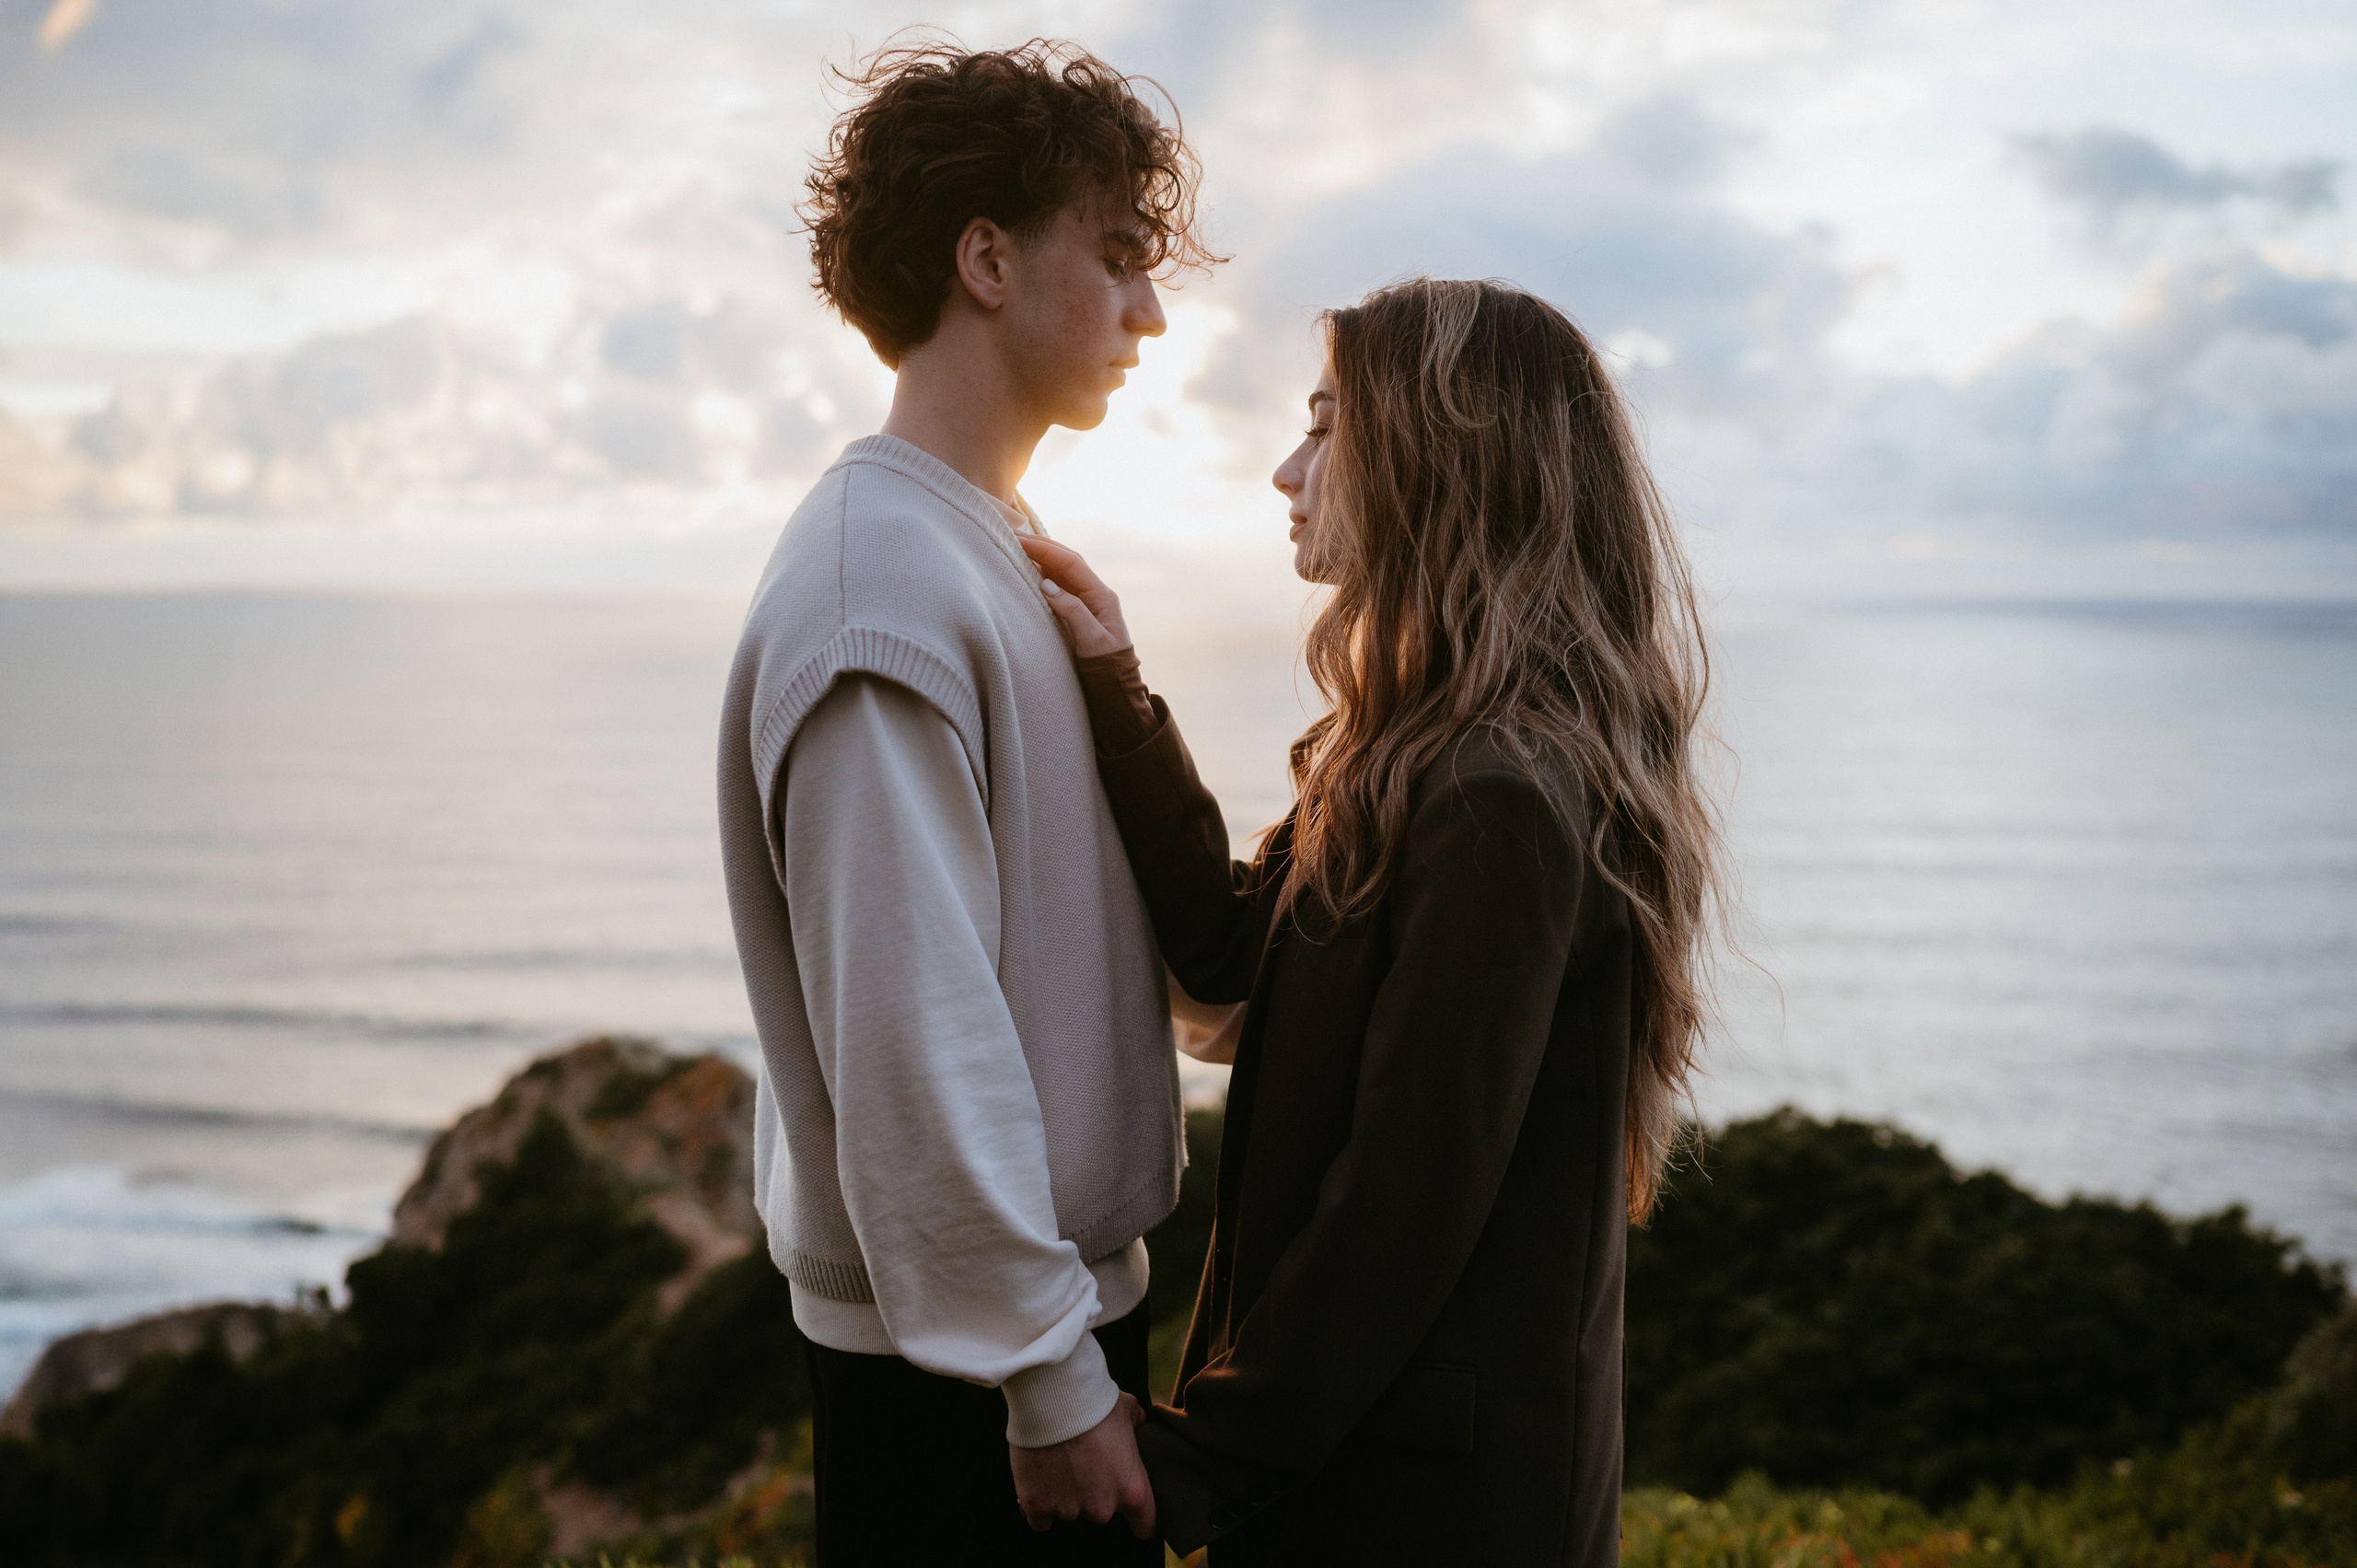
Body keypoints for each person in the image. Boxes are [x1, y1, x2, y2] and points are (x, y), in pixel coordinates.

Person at [1023, 276, 1724, 1565]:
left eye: (1327, 426)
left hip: (1431, 1512)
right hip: (1365, 1473)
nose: (1287, 472)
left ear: (1438, 458)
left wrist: (1201, 1460)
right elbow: (1236, 954)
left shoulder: (1500, 791)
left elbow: (1405, 1200)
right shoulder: (1415, 753)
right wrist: (1115, 692)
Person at [714, 40, 1219, 1564]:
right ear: (986, 259)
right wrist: (1049, 1380)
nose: (1152, 311)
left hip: (1025, 1343)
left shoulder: (979, 544)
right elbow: (913, 1029)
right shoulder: (883, 589)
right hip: (974, 1395)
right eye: (1120, 259)